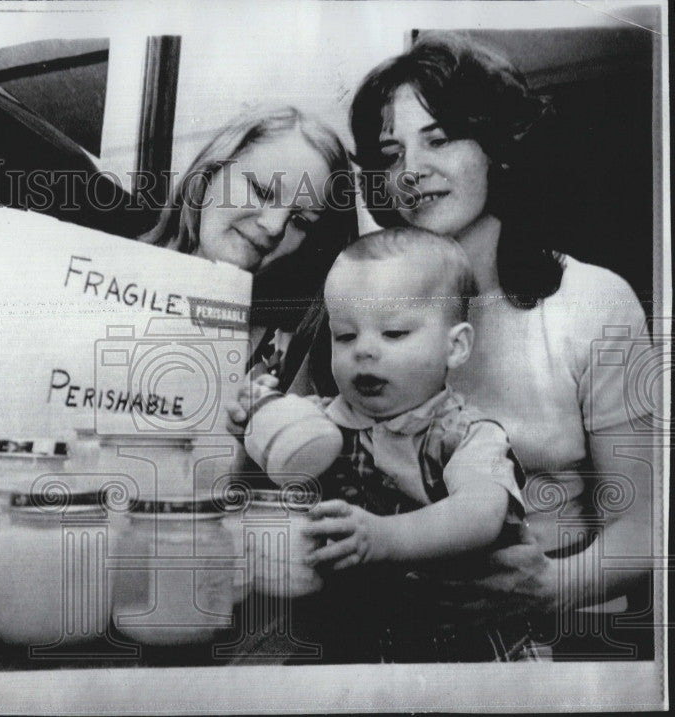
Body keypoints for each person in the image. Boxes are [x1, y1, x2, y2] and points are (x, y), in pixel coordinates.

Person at [245, 33, 654, 660]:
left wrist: (554, 589)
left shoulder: (592, 301)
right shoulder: (359, 302)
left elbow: (647, 524)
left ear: (500, 147)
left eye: (439, 139)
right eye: (391, 152)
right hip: (379, 635)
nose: (411, 170)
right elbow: (296, 463)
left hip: (550, 635)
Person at [237, 229, 546, 661]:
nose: (364, 351)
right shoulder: (320, 419)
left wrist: (385, 537)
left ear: (455, 347)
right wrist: (256, 418)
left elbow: (481, 513)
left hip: (465, 647)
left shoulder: (467, 434)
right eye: (344, 336)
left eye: (395, 333)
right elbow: (277, 462)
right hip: (356, 642)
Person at [141, 105, 359, 371]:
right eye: (262, 191)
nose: (274, 227)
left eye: (301, 221)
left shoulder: (290, 354)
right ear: (210, 173)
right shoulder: (100, 275)